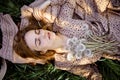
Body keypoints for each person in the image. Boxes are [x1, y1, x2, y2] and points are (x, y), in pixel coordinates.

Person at [0, 0, 120, 80]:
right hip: (115, 50)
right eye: (38, 41)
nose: (42, 34)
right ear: (42, 51)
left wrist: (45, 3)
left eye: (38, 32)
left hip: (112, 25)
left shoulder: (61, 22)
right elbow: (86, 72)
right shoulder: (62, 61)